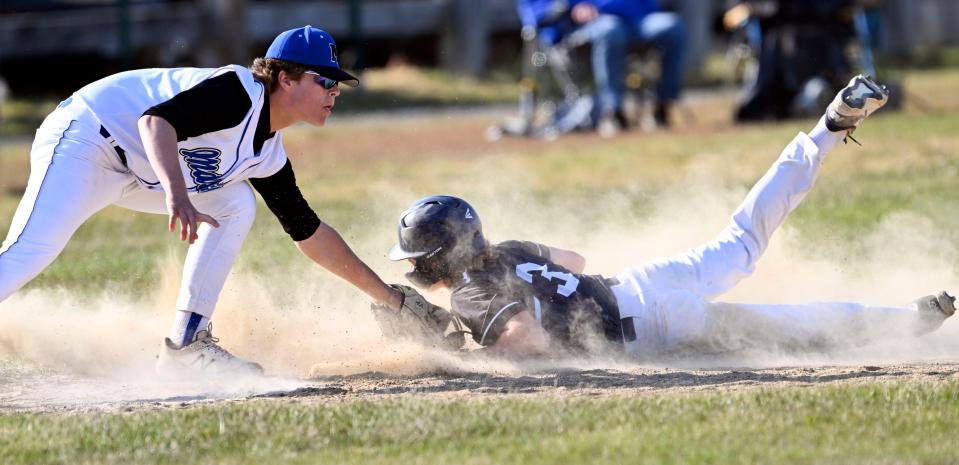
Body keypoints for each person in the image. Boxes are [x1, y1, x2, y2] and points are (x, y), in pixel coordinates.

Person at [385, 75, 956, 359]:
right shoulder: (504, 249)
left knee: (790, 327)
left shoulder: (469, 294)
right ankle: (828, 127)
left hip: (651, 329)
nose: (413, 268)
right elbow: (576, 263)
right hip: (645, 281)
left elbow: (526, 338)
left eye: (416, 258)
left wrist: (461, 347)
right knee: (741, 237)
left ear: (437, 257)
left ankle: (906, 319)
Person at [0, 26, 405, 376]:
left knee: (236, 205)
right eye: (323, 80)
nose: (333, 92)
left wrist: (391, 299)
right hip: (88, 137)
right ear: (285, 77)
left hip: (139, 170)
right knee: (31, 251)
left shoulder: (266, 154)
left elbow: (309, 233)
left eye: (336, 84)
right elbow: (155, 122)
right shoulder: (238, 92)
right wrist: (177, 195)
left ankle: (186, 346)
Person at [517, 0, 687, 135]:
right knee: (610, 28)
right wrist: (571, 9)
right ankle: (612, 111)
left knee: (673, 26)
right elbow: (535, 12)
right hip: (582, 29)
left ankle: (663, 105)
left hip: (635, 21)